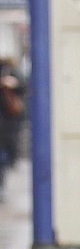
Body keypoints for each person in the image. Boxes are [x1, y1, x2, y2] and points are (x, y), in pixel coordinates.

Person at [0, 59, 27, 202]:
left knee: (3, 157)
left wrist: (13, 83)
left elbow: (23, 88)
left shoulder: (12, 71)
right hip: (6, 124)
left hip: (8, 124)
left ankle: (1, 186)